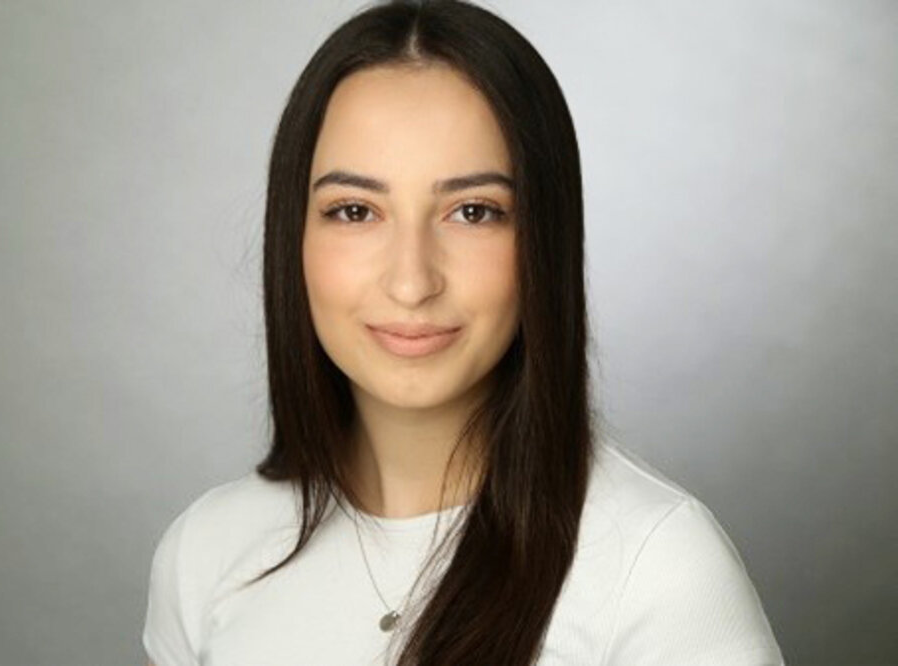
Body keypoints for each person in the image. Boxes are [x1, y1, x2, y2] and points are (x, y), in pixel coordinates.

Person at [141, 1, 784, 664]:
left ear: (544, 240)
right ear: (294, 237)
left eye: (473, 212)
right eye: (356, 211)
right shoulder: (206, 554)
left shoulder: (656, 570)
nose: (412, 281)